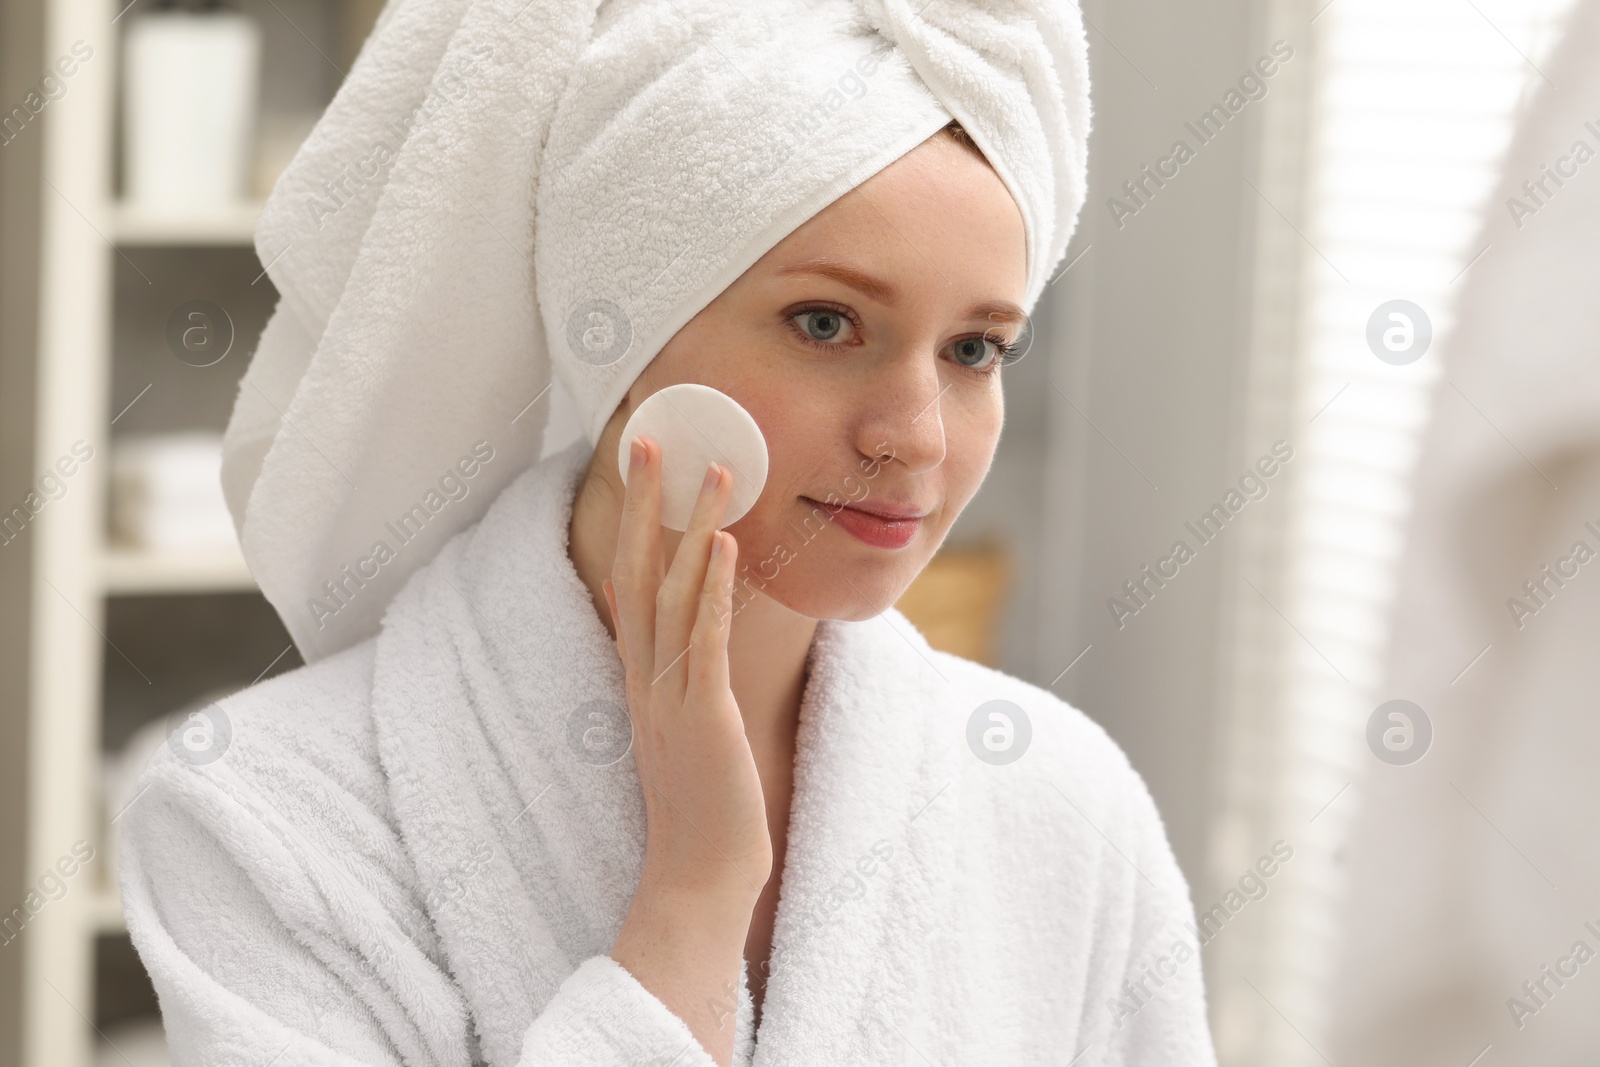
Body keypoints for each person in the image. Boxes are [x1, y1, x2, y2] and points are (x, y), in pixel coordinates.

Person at [118, 2, 1217, 1065]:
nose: (916, 437)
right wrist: (693, 896)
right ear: (623, 335)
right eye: (826, 323)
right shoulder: (266, 812)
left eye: (975, 349)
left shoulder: (1061, 801)